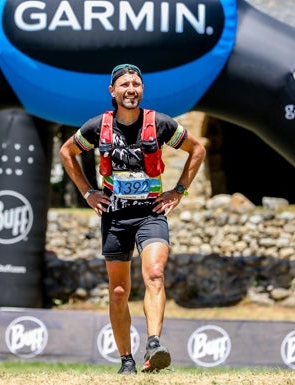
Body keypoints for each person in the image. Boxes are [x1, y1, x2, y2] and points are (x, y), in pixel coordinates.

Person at [59, 64, 206, 374]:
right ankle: (126, 360)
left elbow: (197, 149)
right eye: (124, 84)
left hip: (150, 214)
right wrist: (87, 192)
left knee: (154, 273)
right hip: (114, 217)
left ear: (142, 90)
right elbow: (66, 152)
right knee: (118, 291)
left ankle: (154, 344)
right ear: (112, 91)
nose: (131, 89)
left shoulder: (160, 124)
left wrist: (178, 191)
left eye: (136, 84)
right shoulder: (98, 126)